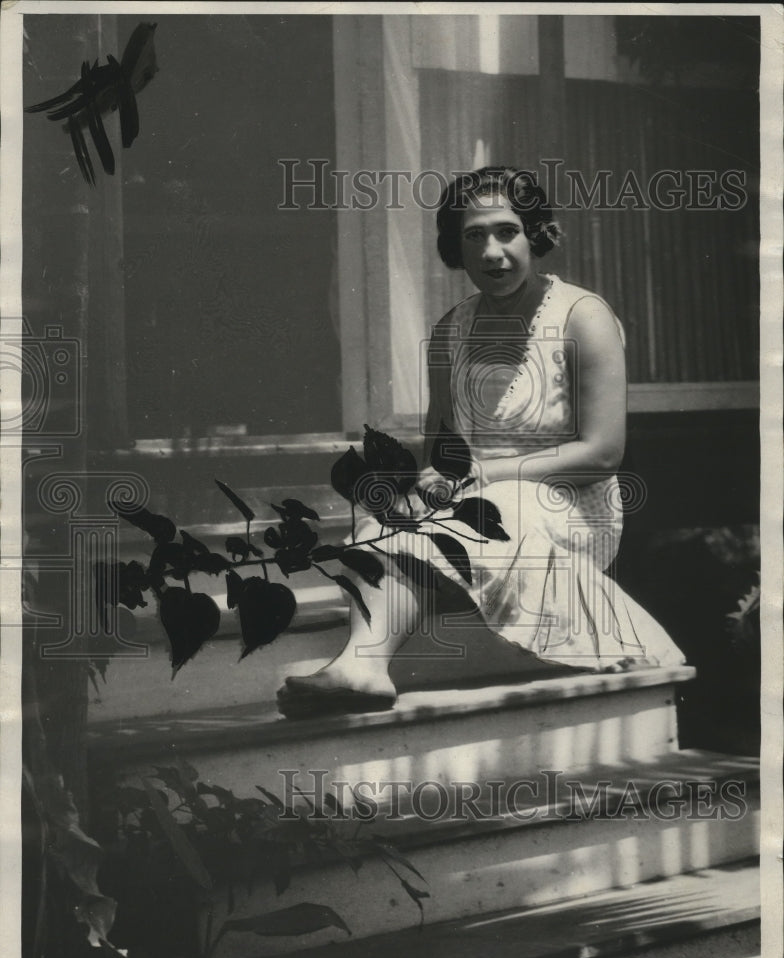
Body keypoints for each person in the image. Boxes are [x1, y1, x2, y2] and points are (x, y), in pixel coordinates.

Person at [277, 166, 684, 718]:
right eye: (474, 236)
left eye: (506, 232)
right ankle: (362, 665)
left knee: (483, 509)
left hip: (574, 508)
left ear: (534, 234)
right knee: (390, 519)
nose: (492, 252)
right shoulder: (449, 331)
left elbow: (604, 452)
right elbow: (444, 449)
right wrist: (431, 480)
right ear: (456, 246)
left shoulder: (582, 318)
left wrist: (487, 475)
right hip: (482, 502)